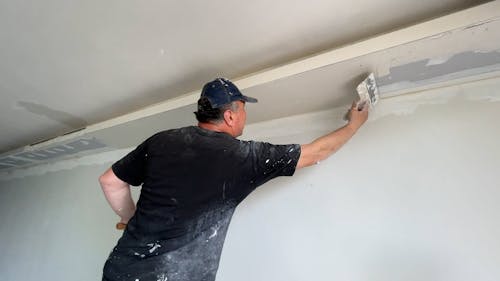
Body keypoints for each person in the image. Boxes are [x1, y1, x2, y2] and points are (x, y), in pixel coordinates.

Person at [99, 77, 368, 281]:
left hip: (121, 269)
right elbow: (315, 153)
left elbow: (110, 181)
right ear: (229, 115)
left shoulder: (161, 141)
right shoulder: (244, 157)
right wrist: (354, 124)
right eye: (242, 110)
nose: (244, 116)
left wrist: (129, 218)